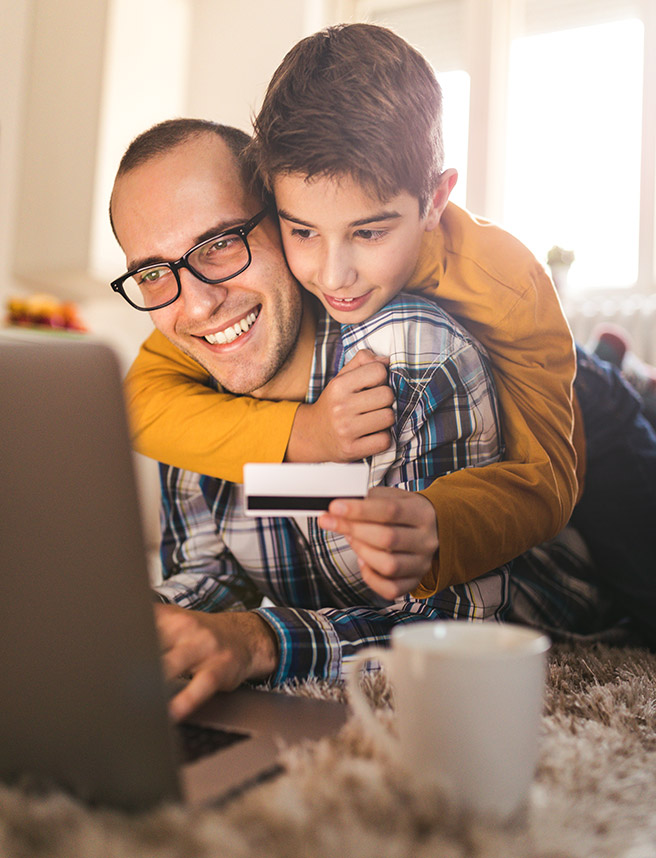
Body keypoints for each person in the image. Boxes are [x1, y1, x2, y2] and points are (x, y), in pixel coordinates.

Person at [121, 23, 582, 602]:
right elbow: (142, 403)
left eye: (369, 231)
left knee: (649, 562)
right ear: (274, 207)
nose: (334, 276)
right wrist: (306, 435)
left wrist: (437, 520)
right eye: (302, 230)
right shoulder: (238, 288)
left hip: (552, 388)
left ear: (435, 200)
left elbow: (550, 482)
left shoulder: (507, 286)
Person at [110, 122, 518, 721]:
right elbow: (210, 571)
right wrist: (129, 624)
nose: (196, 306)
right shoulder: (183, 389)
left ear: (285, 220)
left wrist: (258, 640)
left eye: (220, 242)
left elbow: (455, 627)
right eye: (152, 274)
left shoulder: (414, 355)